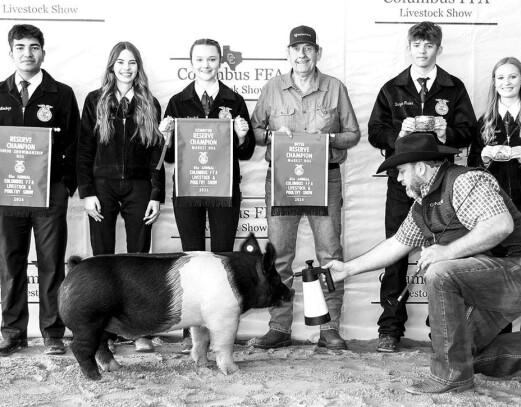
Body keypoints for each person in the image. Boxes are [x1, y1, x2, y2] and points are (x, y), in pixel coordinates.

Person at [323, 132, 521, 394]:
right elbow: (395, 245)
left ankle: (451, 378)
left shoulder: (466, 180)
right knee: (461, 353)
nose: (399, 178)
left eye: (401, 171)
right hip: (492, 282)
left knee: (440, 272)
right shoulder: (421, 207)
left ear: (421, 167)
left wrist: (445, 252)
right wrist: (346, 269)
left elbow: (500, 225)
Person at [248, 25, 360, 350]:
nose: (302, 54)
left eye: (308, 48)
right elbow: (255, 130)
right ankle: (279, 328)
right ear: (288, 53)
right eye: (296, 49)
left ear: (317, 53)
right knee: (280, 256)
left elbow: (353, 134)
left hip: (325, 179)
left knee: (330, 254)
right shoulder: (272, 88)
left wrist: (328, 139)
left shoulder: (334, 88)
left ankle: (329, 330)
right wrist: (271, 136)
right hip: (283, 180)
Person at [367, 21, 476, 353]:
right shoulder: (392, 88)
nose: (423, 51)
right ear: (409, 47)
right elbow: (375, 132)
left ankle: (440, 328)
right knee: (396, 253)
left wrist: (446, 134)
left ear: (438, 50)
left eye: (429, 46)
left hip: (444, 185)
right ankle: (390, 329)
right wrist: (396, 136)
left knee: (443, 256)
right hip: (404, 183)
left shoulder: (454, 88)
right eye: (417, 45)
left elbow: (468, 131)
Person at [162, 38, 255, 351]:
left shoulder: (235, 99)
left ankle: (221, 331)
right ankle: (193, 335)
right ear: (191, 63)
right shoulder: (177, 101)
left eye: (212, 59)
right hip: (187, 190)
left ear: (220, 62)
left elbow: (247, 150)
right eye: (199, 60)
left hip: (224, 192)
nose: (206, 65)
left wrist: (242, 136)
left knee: (222, 257)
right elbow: (171, 157)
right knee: (191, 259)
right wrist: (167, 137)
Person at [77, 41, 164, 353]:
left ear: (138, 67)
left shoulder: (149, 102)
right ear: (111, 66)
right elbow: (84, 150)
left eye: (132, 63)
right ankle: (104, 333)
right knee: (103, 260)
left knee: (139, 259)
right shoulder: (94, 101)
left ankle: (140, 330)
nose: (126, 68)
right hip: (103, 187)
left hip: (139, 188)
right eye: (121, 62)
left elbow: (157, 153)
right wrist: (87, 193)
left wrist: (156, 194)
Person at [0, 24, 80, 356]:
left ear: (43, 53)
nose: (27, 54)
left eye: (34, 48)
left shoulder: (61, 94)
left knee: (50, 264)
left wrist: (65, 185)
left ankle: (52, 333)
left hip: (49, 195)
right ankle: (12, 331)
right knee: (10, 262)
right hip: (8, 195)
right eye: (20, 47)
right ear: (10, 53)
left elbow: (76, 142)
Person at [468, 57, 521, 330]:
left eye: (512, 77)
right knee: (497, 272)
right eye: (500, 78)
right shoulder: (486, 120)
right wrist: (483, 160)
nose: (506, 83)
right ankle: (499, 336)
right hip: (495, 210)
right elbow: (472, 169)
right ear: (494, 83)